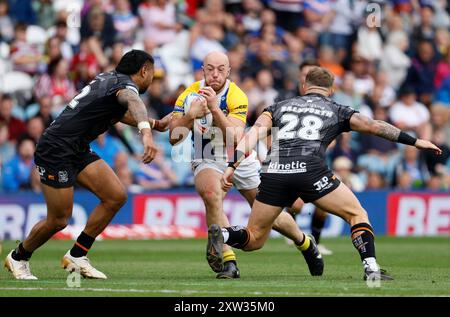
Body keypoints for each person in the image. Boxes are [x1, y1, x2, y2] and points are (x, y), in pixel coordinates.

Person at [207, 66, 442, 280]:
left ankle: (225, 235)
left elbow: (251, 136)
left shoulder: (277, 107)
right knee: (356, 214)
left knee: (254, 238)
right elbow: (374, 126)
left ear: (303, 86)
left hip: (274, 172)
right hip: (311, 171)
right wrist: (415, 141)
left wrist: (231, 166)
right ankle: (371, 268)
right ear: (331, 90)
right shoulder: (336, 109)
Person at [4, 50, 169, 280]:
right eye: (152, 73)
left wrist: (154, 123)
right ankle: (18, 256)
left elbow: (119, 113)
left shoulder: (108, 79)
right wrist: (147, 133)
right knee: (59, 219)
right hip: (56, 150)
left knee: (115, 195)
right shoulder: (126, 88)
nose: (152, 79)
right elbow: (132, 101)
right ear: (144, 70)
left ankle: (77, 255)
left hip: (77, 148)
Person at [170, 51, 323, 279]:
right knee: (212, 195)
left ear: (229, 71)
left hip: (240, 155)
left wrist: (213, 108)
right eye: (210, 68)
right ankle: (229, 262)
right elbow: (174, 136)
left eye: (221, 69)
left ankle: (304, 242)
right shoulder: (188, 95)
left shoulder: (236, 95)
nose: (215, 74)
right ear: (202, 70)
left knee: (270, 215)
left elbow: (235, 137)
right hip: (206, 155)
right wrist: (189, 116)